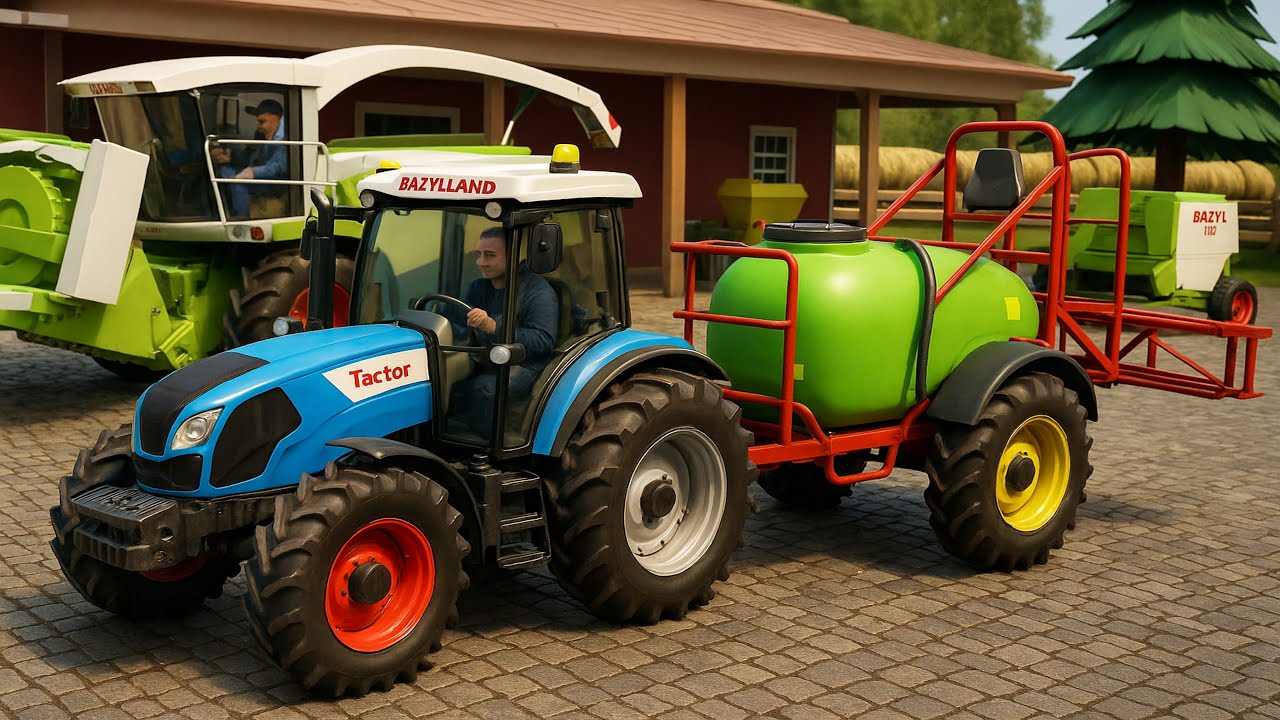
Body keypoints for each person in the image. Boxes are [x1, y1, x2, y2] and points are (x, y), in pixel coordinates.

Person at [449, 226, 559, 435]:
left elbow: (543, 341)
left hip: (524, 364)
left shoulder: (538, 292)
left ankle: (483, 452)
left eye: (490, 255)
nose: (481, 262)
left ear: (514, 257)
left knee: (486, 390)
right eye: (478, 255)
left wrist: (493, 326)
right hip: (483, 357)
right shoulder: (477, 288)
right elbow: (453, 320)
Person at [211, 98, 289, 219]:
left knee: (239, 184)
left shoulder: (287, 136)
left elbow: (280, 167)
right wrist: (230, 156)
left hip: (277, 182)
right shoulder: (262, 134)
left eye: (262, 121)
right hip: (263, 176)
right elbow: (251, 154)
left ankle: (241, 219)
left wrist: (253, 172)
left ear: (276, 118)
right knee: (225, 171)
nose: (258, 126)